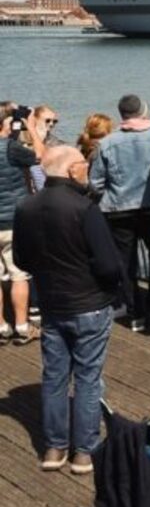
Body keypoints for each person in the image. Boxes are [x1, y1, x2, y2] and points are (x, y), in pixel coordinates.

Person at [12, 146, 124, 474]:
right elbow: (107, 264)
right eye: (84, 164)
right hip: (89, 302)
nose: (87, 169)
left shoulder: (25, 206)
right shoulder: (84, 208)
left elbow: (21, 259)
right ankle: (84, 451)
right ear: (73, 169)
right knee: (88, 377)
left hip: (52, 303)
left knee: (54, 375)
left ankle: (54, 447)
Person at [89, 94, 150, 332]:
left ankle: (135, 311)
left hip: (117, 208)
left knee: (125, 261)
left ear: (121, 114)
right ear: (143, 110)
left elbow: (95, 183)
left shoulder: (107, 143)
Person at [1, 104, 44, 344]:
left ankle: (1, 327)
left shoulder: (11, 145)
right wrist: (31, 127)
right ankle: (21, 324)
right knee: (19, 275)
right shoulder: (12, 148)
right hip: (13, 221)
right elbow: (39, 155)